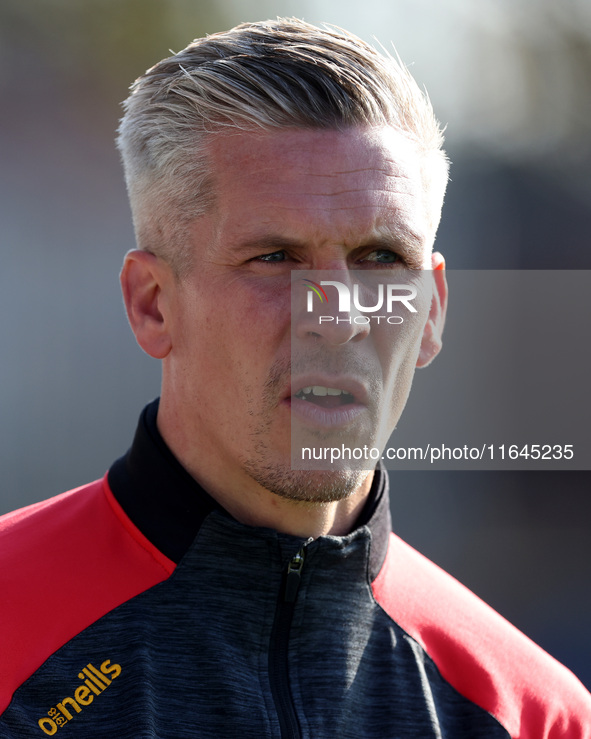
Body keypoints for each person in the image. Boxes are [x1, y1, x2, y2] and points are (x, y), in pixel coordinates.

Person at [0, 18, 589, 739]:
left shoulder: (533, 714)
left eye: (378, 257)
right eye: (275, 258)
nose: (336, 316)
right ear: (153, 304)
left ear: (431, 311)